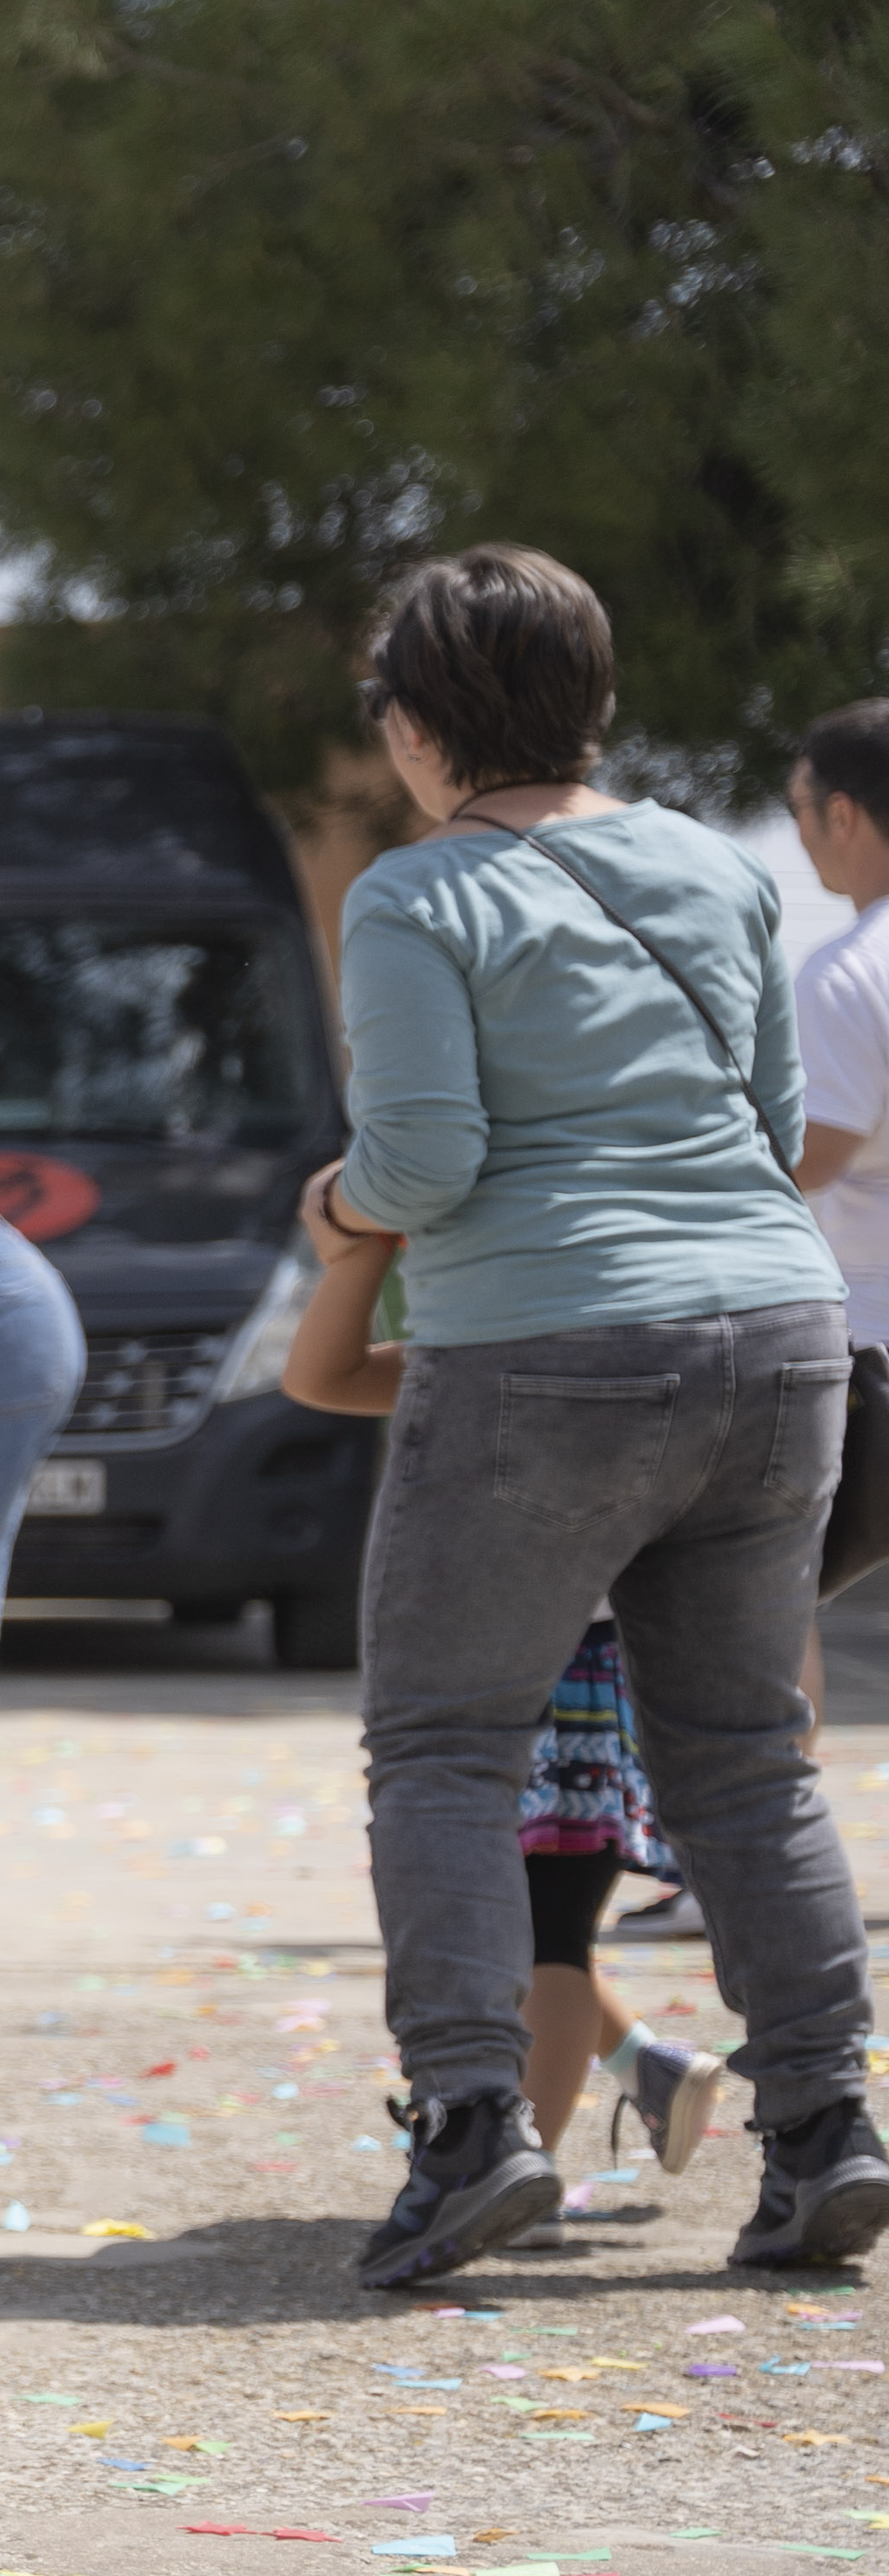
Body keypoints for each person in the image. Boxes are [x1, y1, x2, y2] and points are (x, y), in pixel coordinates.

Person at [321, 541, 879, 2285]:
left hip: (541, 1349)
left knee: (445, 1746)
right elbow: (772, 1118)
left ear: (420, 725)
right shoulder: (717, 866)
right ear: (596, 697)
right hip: (779, 1333)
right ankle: (826, 2130)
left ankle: (472, 2127)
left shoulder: (416, 897)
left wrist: (334, 1206)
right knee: (746, 1756)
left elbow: (425, 1160)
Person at [279, 1156, 738, 2234]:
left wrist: (357, 1245)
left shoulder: (504, 1359)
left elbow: (323, 1373)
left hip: (572, 1677)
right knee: (531, 1923)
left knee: (548, 1935)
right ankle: (627, 2077)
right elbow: (320, 1375)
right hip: (528, 1677)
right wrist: (358, 1249)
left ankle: (517, 2173)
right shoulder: (467, 1358)